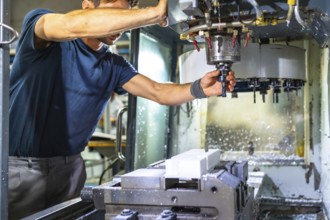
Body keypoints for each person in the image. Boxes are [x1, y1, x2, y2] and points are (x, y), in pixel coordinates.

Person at [8, 0, 236, 219]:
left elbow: (158, 91)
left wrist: (200, 88)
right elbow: (71, 25)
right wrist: (156, 13)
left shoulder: (113, 65)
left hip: (71, 169)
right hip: (22, 168)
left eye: (126, 20)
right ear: (88, 5)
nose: (121, 28)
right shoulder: (40, 29)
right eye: (117, 16)